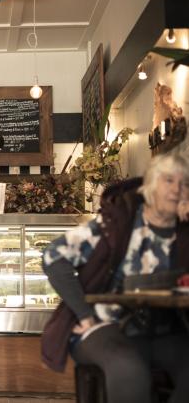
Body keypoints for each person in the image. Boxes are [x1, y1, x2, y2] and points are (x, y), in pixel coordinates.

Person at [41, 151, 189, 403]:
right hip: (105, 323)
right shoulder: (117, 224)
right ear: (151, 185)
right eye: (168, 180)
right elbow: (53, 256)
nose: (176, 189)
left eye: (183, 183)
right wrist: (84, 314)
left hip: (165, 327)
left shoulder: (183, 231)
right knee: (128, 371)